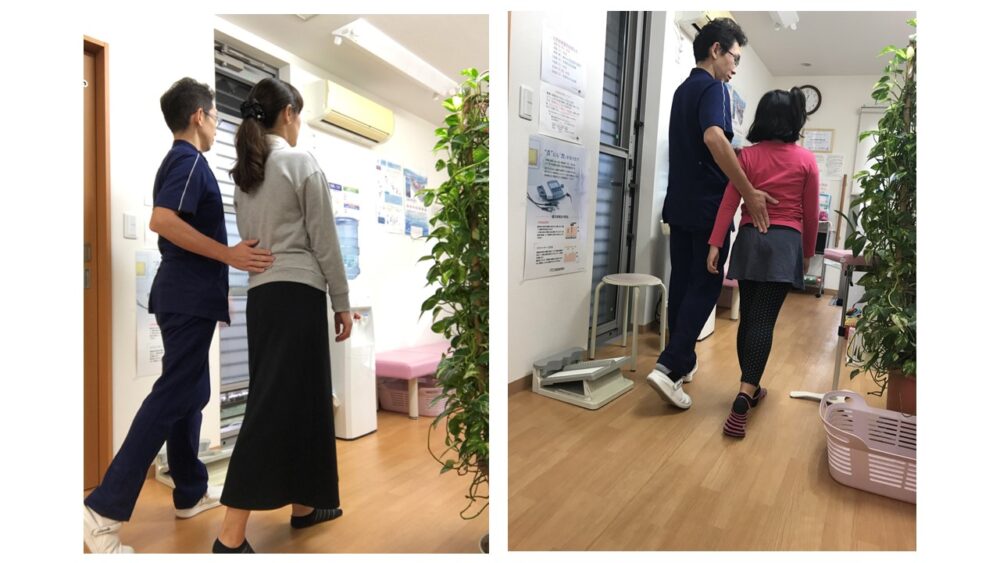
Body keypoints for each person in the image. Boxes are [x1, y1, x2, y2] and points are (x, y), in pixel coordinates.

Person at [83, 77, 275, 554]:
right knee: (173, 394)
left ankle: (189, 491)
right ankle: (101, 512)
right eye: (214, 115)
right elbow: (163, 220)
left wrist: (219, 280)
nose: (216, 124)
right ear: (198, 116)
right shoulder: (188, 161)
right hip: (185, 298)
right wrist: (229, 255)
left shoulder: (184, 162)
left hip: (188, 297)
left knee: (192, 390)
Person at [213, 77, 353, 554]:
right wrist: (341, 301)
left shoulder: (246, 174)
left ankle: (304, 505)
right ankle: (229, 536)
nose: (299, 126)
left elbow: (251, 241)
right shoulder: (299, 162)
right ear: (288, 113)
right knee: (275, 405)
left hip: (263, 300)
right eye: (300, 116)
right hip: (298, 295)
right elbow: (325, 240)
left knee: (300, 402)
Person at [646, 18, 778, 410]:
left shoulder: (683, 90)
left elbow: (700, 144)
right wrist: (748, 190)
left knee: (683, 284)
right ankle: (669, 367)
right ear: (716, 50)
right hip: (705, 207)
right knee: (705, 285)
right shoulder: (715, 88)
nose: (735, 67)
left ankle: (682, 362)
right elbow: (712, 136)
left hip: (678, 204)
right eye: (734, 57)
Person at [707, 88, 820, 437]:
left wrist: (715, 244)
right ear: (794, 119)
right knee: (763, 321)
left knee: (749, 317)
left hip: (750, 242)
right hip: (784, 245)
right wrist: (807, 254)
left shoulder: (747, 157)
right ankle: (744, 395)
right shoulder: (806, 160)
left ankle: (751, 388)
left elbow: (729, 202)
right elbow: (811, 214)